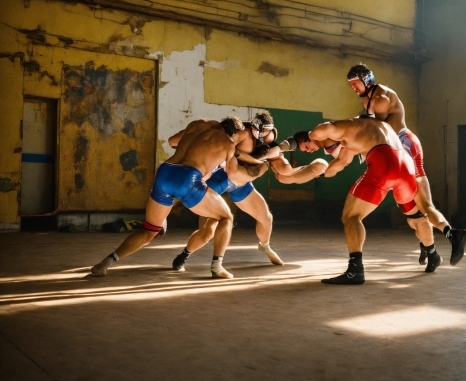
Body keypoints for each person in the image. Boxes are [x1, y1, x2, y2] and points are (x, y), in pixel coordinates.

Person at [171, 113, 327, 275]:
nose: (261, 136)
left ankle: (264, 246)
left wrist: (309, 169)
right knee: (207, 231)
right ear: (252, 126)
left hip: (241, 182)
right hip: (220, 179)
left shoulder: (269, 138)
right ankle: (184, 255)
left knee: (266, 217)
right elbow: (226, 153)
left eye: (266, 133)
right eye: (258, 131)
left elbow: (284, 171)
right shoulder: (240, 134)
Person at [347, 64, 466, 267]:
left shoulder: (380, 98)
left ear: (366, 80)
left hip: (405, 145)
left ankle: (453, 234)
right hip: (395, 153)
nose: (353, 88)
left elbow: (376, 128)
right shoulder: (367, 98)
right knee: (413, 216)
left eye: (356, 83)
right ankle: (430, 248)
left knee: (425, 206)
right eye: (350, 84)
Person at [90, 117, 243, 278]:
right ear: (234, 134)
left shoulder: (199, 124)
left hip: (165, 172)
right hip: (187, 178)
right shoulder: (227, 142)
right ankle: (217, 266)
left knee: (149, 232)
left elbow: (172, 141)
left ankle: (105, 263)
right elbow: (233, 173)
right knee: (226, 217)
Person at [309, 116, 445, 284]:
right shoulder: (380, 127)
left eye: (329, 147)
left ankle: (355, 270)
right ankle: (432, 253)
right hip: (407, 167)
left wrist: (311, 138)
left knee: (351, 216)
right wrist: (324, 171)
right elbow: (340, 162)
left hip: (384, 164)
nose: (331, 149)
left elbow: (321, 134)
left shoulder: (343, 127)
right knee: (416, 216)